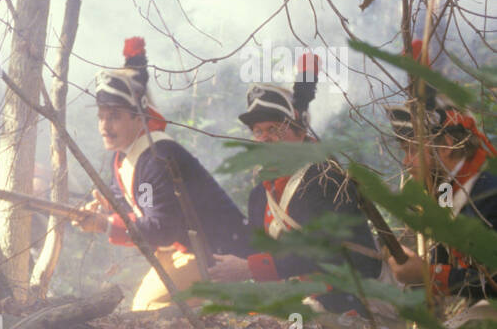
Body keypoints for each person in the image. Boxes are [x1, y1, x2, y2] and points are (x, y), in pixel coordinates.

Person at [71, 37, 249, 311]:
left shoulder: (157, 158)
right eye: (102, 116)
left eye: (115, 116)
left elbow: (161, 228)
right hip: (182, 250)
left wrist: (105, 224)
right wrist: (106, 209)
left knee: (149, 308)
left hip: (217, 254)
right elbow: (130, 204)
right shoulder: (122, 157)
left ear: (137, 117)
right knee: (144, 308)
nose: (105, 126)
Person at [206, 53, 380, 313]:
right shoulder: (259, 195)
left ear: (300, 132)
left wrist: (249, 268)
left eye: (274, 129)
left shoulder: (325, 179)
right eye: (258, 131)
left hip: (349, 305)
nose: (264, 139)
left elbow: (325, 253)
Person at [385, 90, 497, 318]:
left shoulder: (490, 192)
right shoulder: (446, 188)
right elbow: (446, 242)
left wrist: (431, 274)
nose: (406, 162)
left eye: (412, 149)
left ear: (446, 146)